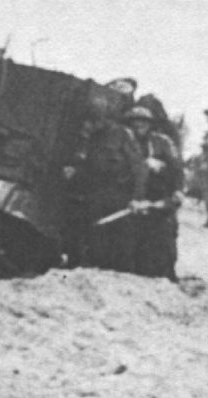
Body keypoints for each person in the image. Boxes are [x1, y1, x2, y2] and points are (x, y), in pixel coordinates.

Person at [69, 95, 147, 273]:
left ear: (105, 118)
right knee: (96, 240)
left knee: (122, 245)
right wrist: (76, 171)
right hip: (96, 194)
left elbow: (139, 168)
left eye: (96, 119)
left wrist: (136, 198)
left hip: (121, 196)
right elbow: (89, 165)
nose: (93, 124)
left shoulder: (122, 134)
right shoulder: (92, 138)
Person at [126, 106, 183, 281]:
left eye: (143, 123)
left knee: (164, 243)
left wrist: (177, 191)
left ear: (150, 125)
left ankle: (167, 274)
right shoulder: (125, 142)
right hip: (132, 202)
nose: (139, 126)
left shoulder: (162, 143)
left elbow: (176, 169)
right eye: (135, 123)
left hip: (159, 200)